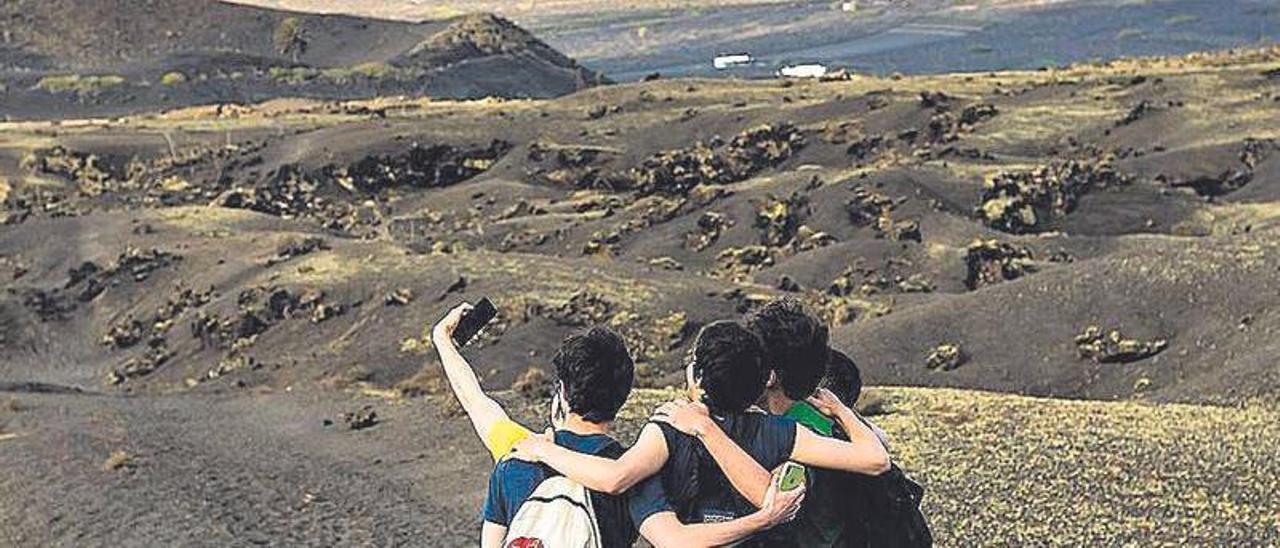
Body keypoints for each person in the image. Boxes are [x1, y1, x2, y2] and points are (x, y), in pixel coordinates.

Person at [430, 303, 802, 548]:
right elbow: (676, 540)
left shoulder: (516, 456)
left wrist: (444, 341)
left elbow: (478, 403)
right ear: (622, 398)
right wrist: (761, 520)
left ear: (561, 392)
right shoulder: (639, 471)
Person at [512, 320, 889, 547]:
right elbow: (875, 459)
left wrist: (544, 450)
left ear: (699, 378)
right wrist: (842, 410)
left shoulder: (669, 430)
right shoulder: (778, 431)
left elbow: (616, 479)